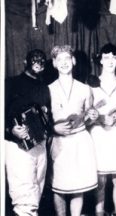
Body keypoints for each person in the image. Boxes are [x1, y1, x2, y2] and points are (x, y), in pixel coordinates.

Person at [48, 45, 98, 216]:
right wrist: (53, 128)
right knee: (59, 185)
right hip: (59, 142)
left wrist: (93, 115)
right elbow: (44, 120)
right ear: (54, 63)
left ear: (74, 61)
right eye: (59, 59)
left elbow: (90, 118)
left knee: (78, 186)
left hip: (80, 141)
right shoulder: (48, 89)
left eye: (67, 58)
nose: (64, 63)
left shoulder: (85, 89)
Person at [87, 43, 116, 216]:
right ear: (100, 60)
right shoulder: (91, 86)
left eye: (113, 57)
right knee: (100, 180)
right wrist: (100, 118)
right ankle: (99, 212)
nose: (110, 61)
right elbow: (87, 115)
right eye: (106, 57)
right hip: (99, 134)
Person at [5, 49, 50, 216]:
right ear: (25, 62)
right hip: (17, 146)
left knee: (36, 191)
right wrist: (10, 130)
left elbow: (47, 116)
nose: (38, 63)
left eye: (42, 60)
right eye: (34, 60)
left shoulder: (44, 87)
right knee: (24, 197)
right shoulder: (11, 83)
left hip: (39, 145)